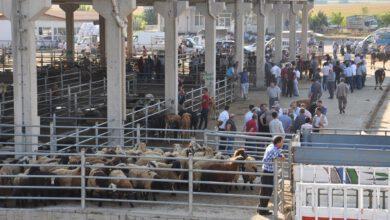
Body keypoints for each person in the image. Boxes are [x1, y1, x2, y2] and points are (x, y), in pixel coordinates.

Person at [257, 136, 285, 216]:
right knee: (267, 191)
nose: (283, 143)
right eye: (282, 142)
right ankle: (262, 210)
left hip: (266, 171)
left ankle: (261, 208)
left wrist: (281, 156)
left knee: (265, 190)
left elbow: (279, 154)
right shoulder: (273, 150)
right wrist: (281, 157)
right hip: (268, 172)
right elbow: (279, 158)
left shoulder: (272, 146)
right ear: (278, 142)